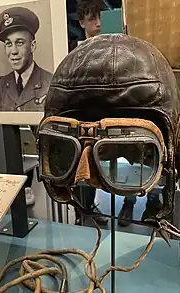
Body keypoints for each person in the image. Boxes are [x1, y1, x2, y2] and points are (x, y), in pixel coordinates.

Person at [73, 0, 107, 225]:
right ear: (82, 21)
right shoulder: (74, 52)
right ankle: (81, 211)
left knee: (97, 164)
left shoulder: (113, 48)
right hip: (82, 115)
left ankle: (89, 208)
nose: (98, 23)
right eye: (92, 18)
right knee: (81, 164)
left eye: (100, 17)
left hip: (105, 115)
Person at [0, 6, 53, 112]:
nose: (13, 51)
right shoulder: (2, 84)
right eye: (9, 44)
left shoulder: (50, 82)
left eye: (19, 43)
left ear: (32, 46)